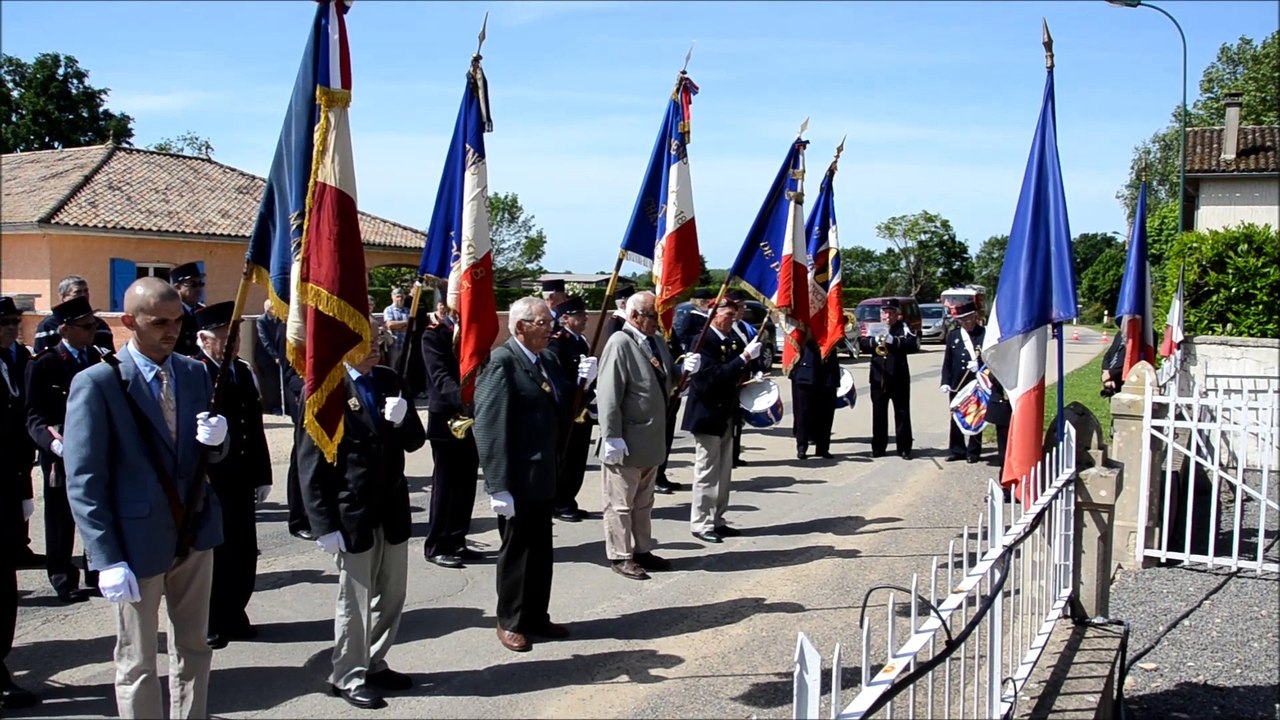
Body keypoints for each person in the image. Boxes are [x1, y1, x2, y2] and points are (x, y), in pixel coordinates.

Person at [63, 277, 229, 719]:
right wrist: (105, 557)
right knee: (137, 659)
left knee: (194, 646)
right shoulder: (99, 382)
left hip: (194, 529)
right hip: (135, 541)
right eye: (158, 323)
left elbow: (202, 454)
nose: (170, 331)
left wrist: (219, 440)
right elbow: (84, 479)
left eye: (177, 321)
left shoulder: (193, 372)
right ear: (128, 321)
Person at [296, 315, 426, 710]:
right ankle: (348, 675)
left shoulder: (388, 379)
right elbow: (309, 461)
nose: (375, 346)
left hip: (392, 506)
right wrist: (321, 523)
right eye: (365, 339)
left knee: (392, 594)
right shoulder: (326, 387)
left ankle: (374, 661)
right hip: (351, 510)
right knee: (355, 601)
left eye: (378, 337)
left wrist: (404, 419)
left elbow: (415, 442)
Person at [474, 297, 583, 653]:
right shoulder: (502, 362)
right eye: (542, 322)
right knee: (517, 553)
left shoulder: (546, 358)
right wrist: (497, 486)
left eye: (550, 321)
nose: (550, 328)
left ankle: (536, 615)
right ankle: (511, 621)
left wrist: (584, 384)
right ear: (520, 326)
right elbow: (490, 427)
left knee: (540, 551)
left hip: (544, 474)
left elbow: (560, 405)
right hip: (518, 478)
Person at [193, 302, 272, 650]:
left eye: (235, 337)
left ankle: (235, 611)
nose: (233, 344)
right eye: (225, 338)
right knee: (215, 553)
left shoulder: (241, 370)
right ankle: (211, 619)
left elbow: (253, 426)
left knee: (243, 550)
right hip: (212, 478)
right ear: (203, 339)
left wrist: (262, 473)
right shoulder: (196, 372)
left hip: (241, 475)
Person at [596, 291, 682, 580]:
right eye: (652, 316)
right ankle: (620, 555)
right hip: (627, 438)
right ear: (634, 316)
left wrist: (684, 371)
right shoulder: (620, 343)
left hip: (651, 438)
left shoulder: (656, 341)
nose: (658, 321)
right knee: (620, 504)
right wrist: (611, 435)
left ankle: (642, 549)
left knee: (644, 502)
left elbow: (666, 378)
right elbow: (609, 393)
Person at [24, 296, 105, 603]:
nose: (93, 330)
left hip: (96, 448)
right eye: (86, 326)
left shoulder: (98, 359)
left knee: (97, 511)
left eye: (94, 324)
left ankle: (96, 571)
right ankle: (62, 577)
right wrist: (53, 443)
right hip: (61, 452)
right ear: (65, 330)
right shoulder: (44, 364)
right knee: (61, 517)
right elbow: (34, 416)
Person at [684, 297, 761, 544]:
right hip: (707, 414)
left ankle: (718, 519)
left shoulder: (732, 339)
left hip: (727, 412)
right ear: (714, 314)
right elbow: (712, 378)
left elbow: (737, 371)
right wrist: (744, 358)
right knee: (707, 472)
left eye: (734, 315)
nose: (732, 319)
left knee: (724, 472)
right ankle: (701, 523)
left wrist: (753, 370)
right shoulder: (702, 340)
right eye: (728, 315)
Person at [420, 301, 480, 569]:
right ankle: (437, 545)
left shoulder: (471, 333)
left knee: (466, 481)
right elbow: (440, 376)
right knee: (446, 485)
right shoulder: (434, 334)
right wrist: (465, 399)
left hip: (470, 414)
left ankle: (457, 539)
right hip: (446, 416)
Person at [1, 296, 38, 710]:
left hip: (9, 486)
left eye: (15, 320)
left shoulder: (18, 360)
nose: (12, 327)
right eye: (4, 322)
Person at [548, 296, 598, 522]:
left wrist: (591, 395)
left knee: (578, 460)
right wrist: (579, 386)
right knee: (565, 459)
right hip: (567, 411)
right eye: (579, 314)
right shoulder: (557, 342)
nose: (585, 317)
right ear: (565, 318)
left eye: (584, 314)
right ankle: (559, 502)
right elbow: (558, 380)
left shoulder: (581, 341)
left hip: (582, 410)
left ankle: (569, 499)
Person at [856, 298, 919, 459]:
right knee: (878, 414)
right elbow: (863, 345)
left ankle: (904, 448)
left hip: (899, 377)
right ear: (881, 314)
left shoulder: (904, 327)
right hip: (878, 378)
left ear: (897, 314)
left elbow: (912, 345)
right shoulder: (873, 327)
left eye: (891, 313)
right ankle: (878, 447)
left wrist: (894, 341)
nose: (888, 316)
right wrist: (873, 341)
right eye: (885, 313)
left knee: (902, 413)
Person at [940, 301, 986, 463]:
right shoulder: (954, 335)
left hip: (976, 383)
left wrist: (979, 365)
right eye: (962, 320)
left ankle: (973, 451)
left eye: (968, 318)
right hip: (957, 383)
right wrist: (945, 381)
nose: (965, 322)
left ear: (975, 317)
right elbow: (947, 361)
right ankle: (957, 450)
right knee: (956, 416)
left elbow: (992, 360)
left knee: (975, 415)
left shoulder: (984, 334)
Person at [33, 275, 116, 353]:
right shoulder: (47, 326)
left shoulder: (100, 325)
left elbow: (108, 355)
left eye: (86, 291)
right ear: (63, 297)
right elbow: (42, 357)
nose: (83, 295)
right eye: (78, 292)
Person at [790, 335, 840, 460]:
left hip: (828, 369)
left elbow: (841, 341)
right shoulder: (805, 324)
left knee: (826, 412)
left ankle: (823, 447)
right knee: (803, 412)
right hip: (807, 368)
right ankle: (802, 446)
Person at [728, 290, 759, 467]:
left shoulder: (744, 328)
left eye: (743, 306)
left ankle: (735, 454)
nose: (742, 310)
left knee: (738, 421)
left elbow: (754, 352)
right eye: (739, 306)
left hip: (744, 379)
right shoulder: (726, 328)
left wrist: (757, 370)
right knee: (730, 421)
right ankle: (729, 456)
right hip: (732, 379)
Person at [253, 299, 285, 415]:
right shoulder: (261, 320)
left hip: (280, 354)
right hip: (265, 357)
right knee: (272, 382)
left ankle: (286, 405)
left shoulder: (281, 318)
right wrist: (275, 356)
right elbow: (265, 341)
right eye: (272, 309)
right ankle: (275, 407)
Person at [169, 262, 206, 358]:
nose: (198, 289)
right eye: (193, 284)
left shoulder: (203, 312)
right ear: (177, 287)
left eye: (200, 284)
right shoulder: (170, 313)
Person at [381, 287, 410, 371]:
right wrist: (406, 322)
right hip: (394, 345)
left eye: (402, 297)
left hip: (406, 345)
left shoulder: (408, 310)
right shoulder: (388, 310)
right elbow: (390, 325)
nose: (400, 299)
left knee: (404, 369)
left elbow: (413, 327)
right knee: (392, 368)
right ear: (392, 297)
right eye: (397, 296)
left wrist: (397, 326)